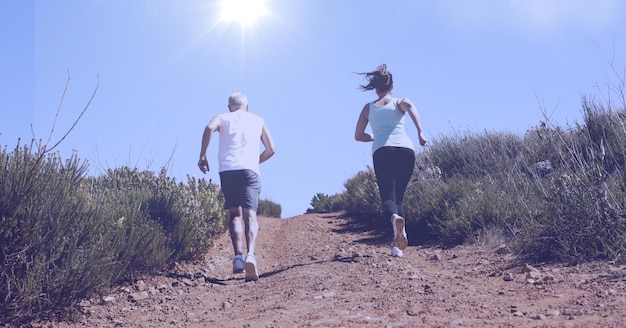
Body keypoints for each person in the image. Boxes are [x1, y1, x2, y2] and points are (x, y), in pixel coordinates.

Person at [198, 92, 276, 281]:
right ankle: (251, 255)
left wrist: (202, 156)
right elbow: (271, 149)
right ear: (247, 107)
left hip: (228, 171)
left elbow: (209, 127)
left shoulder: (222, 118)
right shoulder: (258, 120)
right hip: (249, 171)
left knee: (235, 214)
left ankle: (238, 258)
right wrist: (254, 162)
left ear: (229, 107)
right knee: (250, 215)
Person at [354, 64, 427, 258]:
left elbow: (358, 136)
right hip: (406, 150)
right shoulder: (399, 102)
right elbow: (410, 106)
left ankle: (394, 220)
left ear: (375, 87)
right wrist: (420, 132)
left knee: (388, 197)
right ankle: (397, 246)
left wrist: (375, 136)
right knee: (399, 198)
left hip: (382, 151)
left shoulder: (368, 109)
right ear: (391, 85)